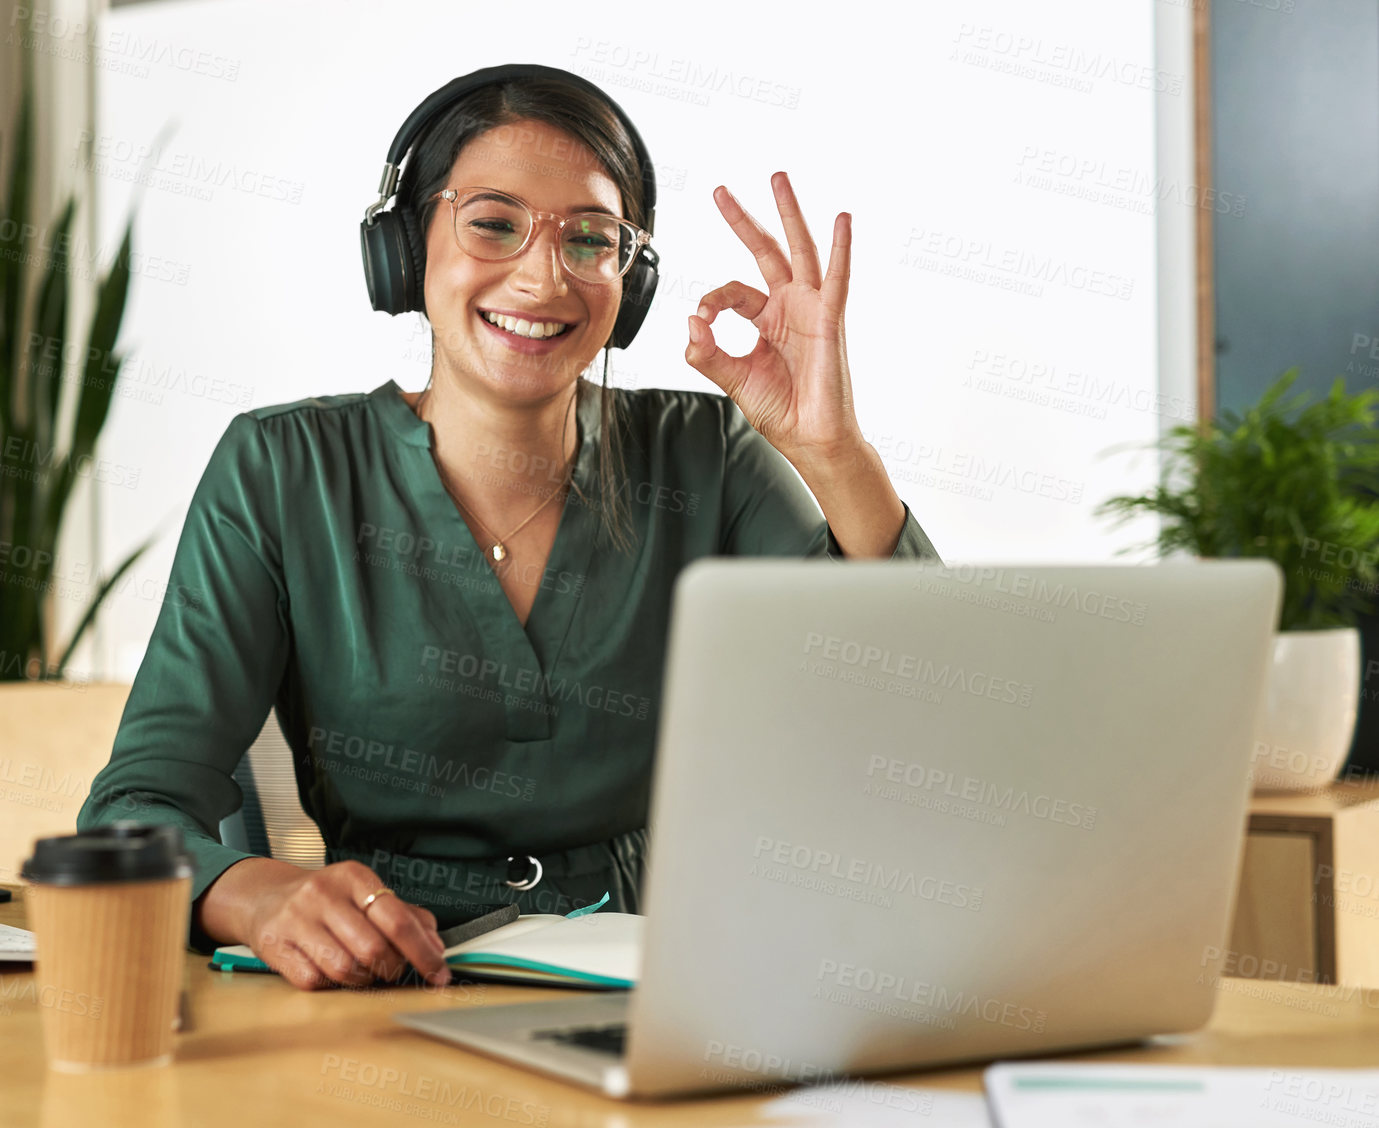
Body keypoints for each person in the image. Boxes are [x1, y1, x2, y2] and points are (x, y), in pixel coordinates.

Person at [77, 66, 940, 991]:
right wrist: (255, 895)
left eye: (589, 240)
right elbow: (132, 812)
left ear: (629, 281)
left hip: (657, 981)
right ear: (406, 248)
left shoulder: (704, 454)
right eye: (493, 223)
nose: (542, 276)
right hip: (378, 984)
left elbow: (915, 708)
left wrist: (833, 451)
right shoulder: (284, 469)